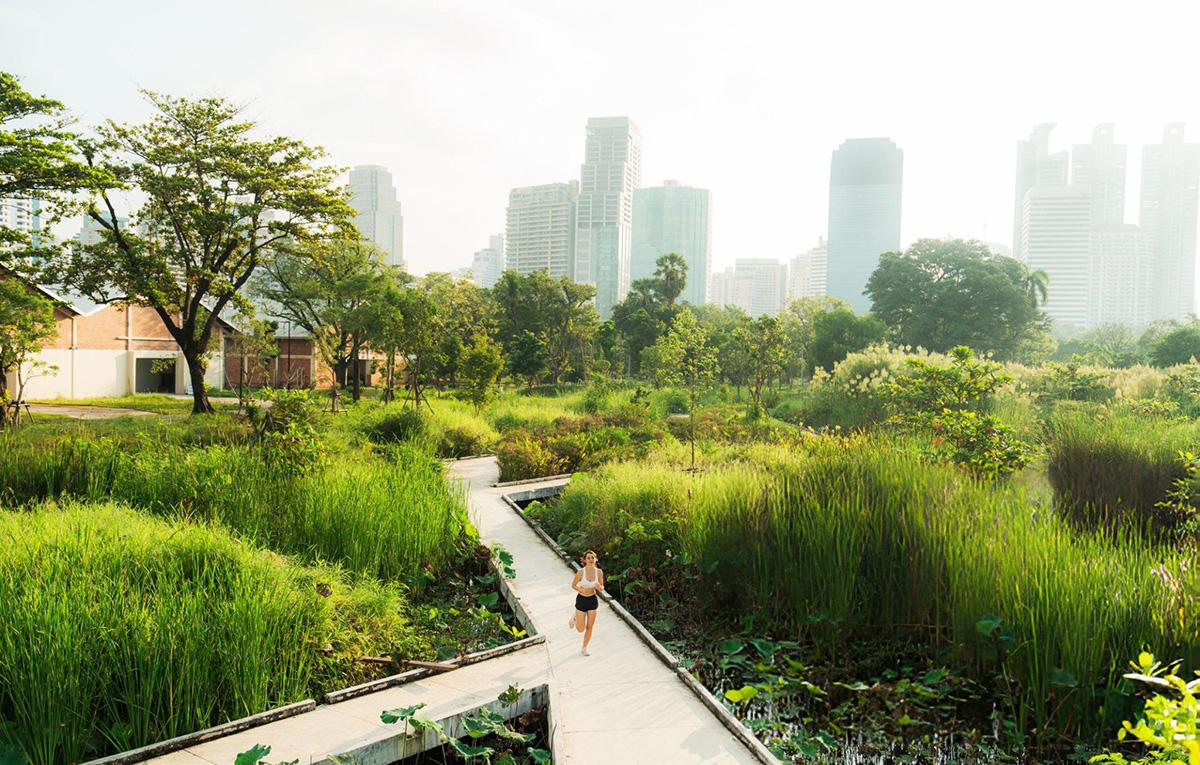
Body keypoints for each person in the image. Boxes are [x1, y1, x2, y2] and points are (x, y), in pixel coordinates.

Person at [568, 550, 604, 656]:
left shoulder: (599, 572)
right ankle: (574, 618)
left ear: (596, 559)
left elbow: (602, 587)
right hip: (581, 600)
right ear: (585, 560)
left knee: (590, 627)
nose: (591, 559)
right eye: (588, 558)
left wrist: (599, 588)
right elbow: (573, 585)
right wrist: (580, 590)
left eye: (592, 557)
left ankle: (584, 648)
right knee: (580, 629)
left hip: (592, 600)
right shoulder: (581, 572)